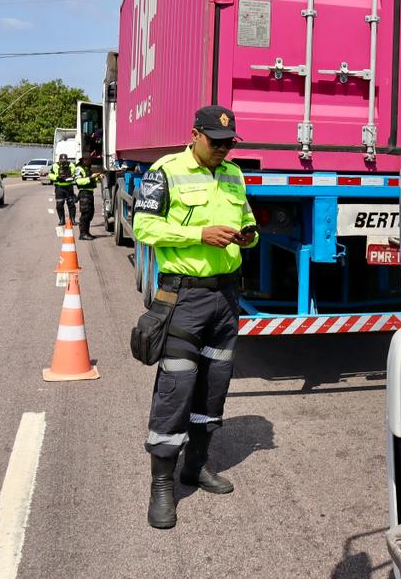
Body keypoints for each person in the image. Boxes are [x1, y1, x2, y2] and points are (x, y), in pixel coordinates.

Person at [133, 105, 258, 530]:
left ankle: (196, 466)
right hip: (184, 296)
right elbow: (144, 228)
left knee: (213, 386)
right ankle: (162, 486)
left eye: (229, 143)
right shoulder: (165, 171)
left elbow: (248, 221)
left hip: (225, 296)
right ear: (194, 135)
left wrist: (248, 235)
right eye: (216, 142)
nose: (224, 149)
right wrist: (197, 234)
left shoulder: (234, 174)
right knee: (177, 385)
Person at [47, 154, 77, 228]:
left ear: (67, 159)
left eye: (65, 160)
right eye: (62, 160)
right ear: (59, 159)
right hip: (59, 187)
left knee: (71, 204)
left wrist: (72, 177)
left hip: (69, 187)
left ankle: (72, 220)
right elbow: (50, 174)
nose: (63, 161)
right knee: (59, 205)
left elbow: (76, 174)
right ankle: (61, 220)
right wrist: (57, 177)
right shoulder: (55, 165)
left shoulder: (72, 165)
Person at [74, 163, 101, 240]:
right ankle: (83, 234)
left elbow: (90, 179)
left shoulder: (87, 168)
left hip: (89, 193)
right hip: (84, 193)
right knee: (85, 214)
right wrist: (91, 177)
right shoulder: (79, 168)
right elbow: (79, 181)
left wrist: (97, 178)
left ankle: (87, 232)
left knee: (90, 213)